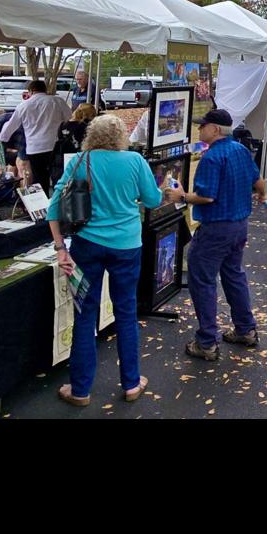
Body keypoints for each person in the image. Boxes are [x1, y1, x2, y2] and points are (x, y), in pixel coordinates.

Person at [48, 114, 163, 406]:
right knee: (126, 312)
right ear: (122, 136)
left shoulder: (80, 161)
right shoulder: (135, 161)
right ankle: (132, 384)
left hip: (87, 245)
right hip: (127, 246)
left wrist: (61, 248)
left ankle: (80, 390)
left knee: (84, 315)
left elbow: (53, 208)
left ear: (91, 135)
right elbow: (152, 200)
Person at [161, 109, 262, 361]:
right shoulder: (240, 149)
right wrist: (263, 195)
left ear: (215, 129)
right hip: (239, 225)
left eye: (202, 126)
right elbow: (258, 182)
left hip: (215, 227)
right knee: (234, 275)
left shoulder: (211, 157)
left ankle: (207, 342)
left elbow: (206, 196)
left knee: (203, 280)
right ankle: (246, 329)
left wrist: (182, 196)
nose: (199, 129)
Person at [0, 78, 68, 194]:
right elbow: (69, 118)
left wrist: (2, 140)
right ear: (45, 90)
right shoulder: (57, 101)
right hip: (55, 145)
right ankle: (57, 202)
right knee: (57, 176)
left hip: (34, 147)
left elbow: (10, 126)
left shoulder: (24, 105)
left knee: (39, 178)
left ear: (30, 91)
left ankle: (42, 204)